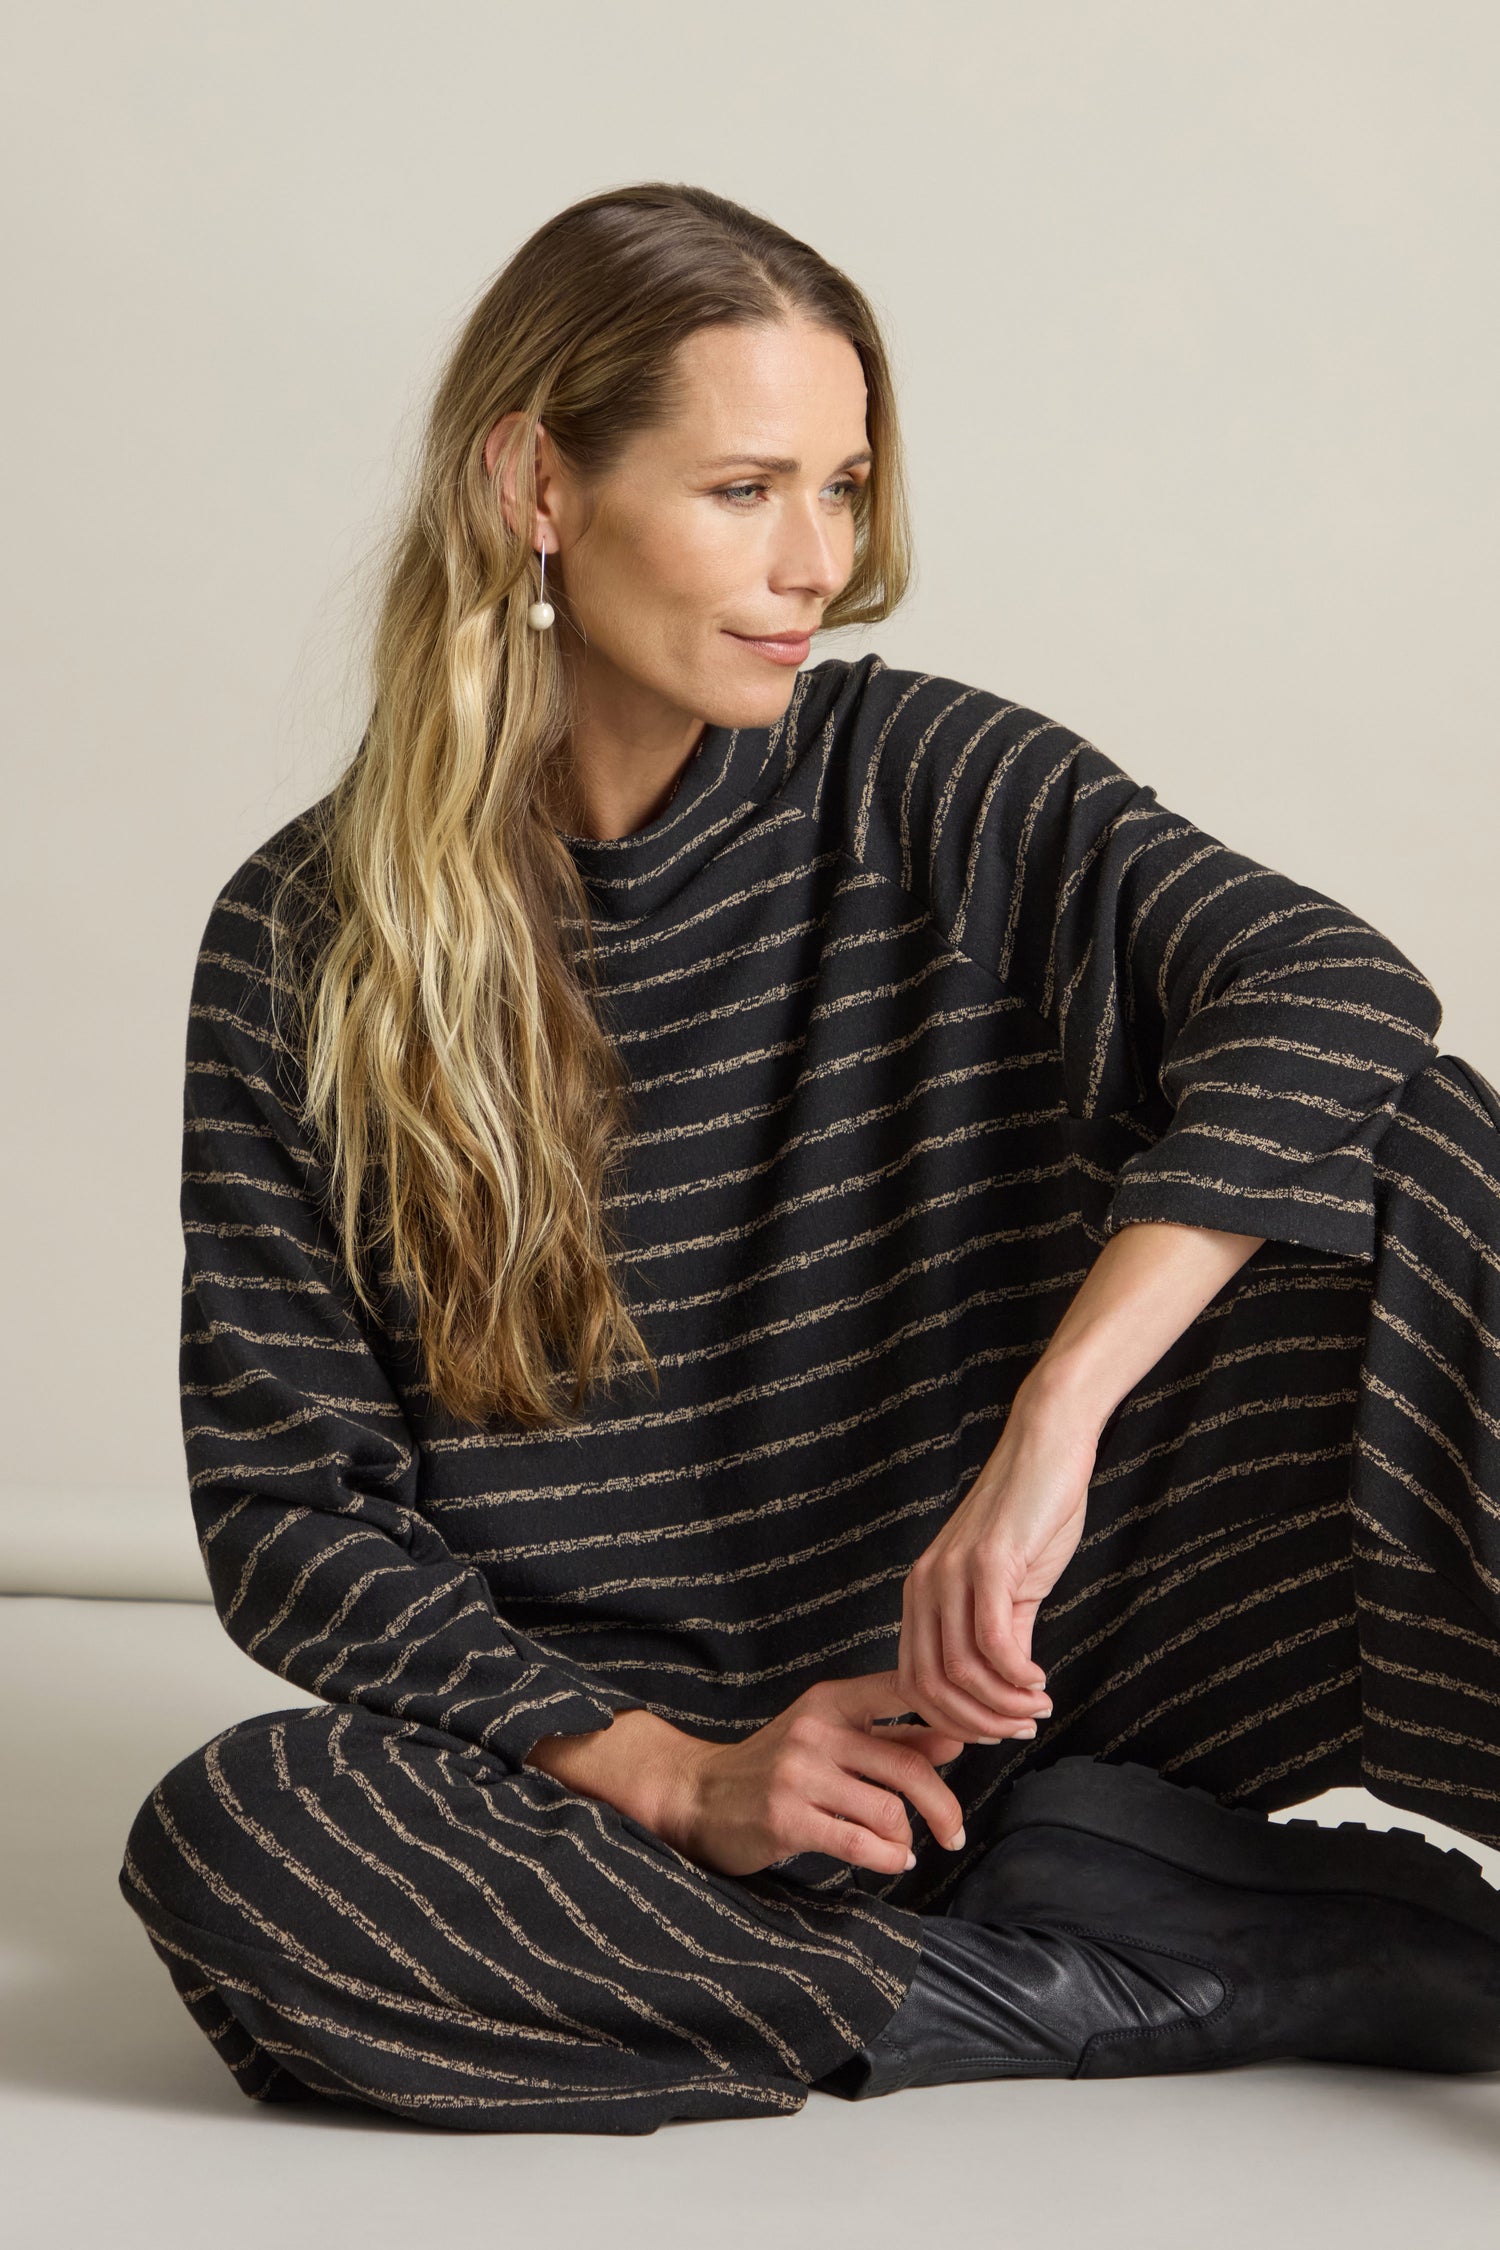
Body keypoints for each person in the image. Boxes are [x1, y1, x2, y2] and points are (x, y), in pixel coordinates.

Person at [119, 181, 1500, 2132]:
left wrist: (1053, 1430)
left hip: (1045, 1663)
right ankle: (1136, 1967)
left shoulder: (903, 780)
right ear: (535, 482)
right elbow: (290, 1511)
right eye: (746, 489)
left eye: (842, 490)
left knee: (1418, 1161)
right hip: (670, 1797)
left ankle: (1074, 1891)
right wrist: (681, 1775)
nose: (816, 567)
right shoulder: (305, 946)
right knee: (245, 1846)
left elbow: (1334, 991)